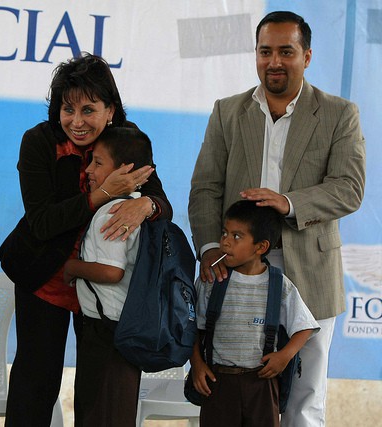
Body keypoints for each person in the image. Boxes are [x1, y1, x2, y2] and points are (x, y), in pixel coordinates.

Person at [188, 11, 366, 427]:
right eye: (265, 51)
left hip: (310, 269)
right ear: (256, 54)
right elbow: (205, 189)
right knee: (237, 388)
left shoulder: (340, 113)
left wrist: (287, 202)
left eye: (286, 51)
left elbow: (349, 188)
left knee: (306, 397)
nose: (274, 61)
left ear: (306, 56)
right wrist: (211, 248)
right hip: (238, 270)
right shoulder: (227, 112)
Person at [0, 53, 172, 426]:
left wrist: (146, 207)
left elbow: (162, 204)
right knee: (35, 384)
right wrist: (103, 194)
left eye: (88, 110)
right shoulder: (39, 141)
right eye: (67, 109)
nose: (76, 122)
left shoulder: (126, 142)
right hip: (45, 277)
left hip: (103, 291)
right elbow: (41, 222)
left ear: (111, 110)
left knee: (99, 393)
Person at [190, 200, 320, 426]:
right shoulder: (212, 281)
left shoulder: (279, 285)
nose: (225, 242)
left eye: (237, 236)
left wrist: (284, 356)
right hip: (217, 382)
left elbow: (305, 326)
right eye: (224, 233)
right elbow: (192, 328)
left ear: (260, 247)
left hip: (262, 384)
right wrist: (197, 364)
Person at [63, 127, 153, 426]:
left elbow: (111, 272)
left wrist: (72, 268)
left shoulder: (112, 211)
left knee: (99, 412)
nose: (88, 170)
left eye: (98, 163)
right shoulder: (135, 207)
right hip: (120, 328)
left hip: (105, 332)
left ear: (125, 170)